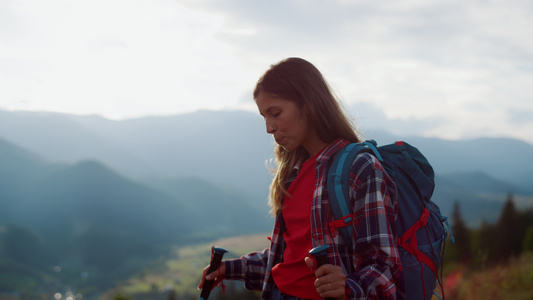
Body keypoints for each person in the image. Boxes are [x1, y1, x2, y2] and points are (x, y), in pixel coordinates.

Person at [198, 57, 404, 300]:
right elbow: (288, 260)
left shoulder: (359, 168)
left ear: (308, 104)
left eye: (275, 113)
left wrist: (349, 287)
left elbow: (383, 265)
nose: (269, 127)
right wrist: (230, 269)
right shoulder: (291, 174)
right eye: (264, 116)